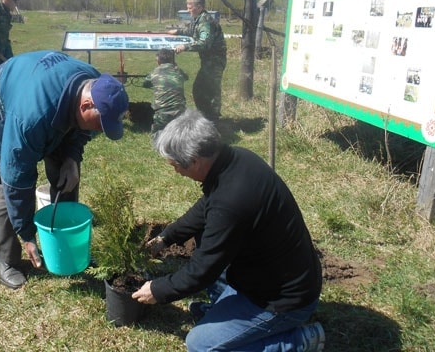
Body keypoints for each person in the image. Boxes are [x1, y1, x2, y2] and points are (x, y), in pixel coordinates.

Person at [132, 109, 325, 352]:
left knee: (200, 345)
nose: (176, 172)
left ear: (195, 161)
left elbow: (202, 271)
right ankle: (221, 314)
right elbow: (206, 207)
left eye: (176, 165)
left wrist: (158, 290)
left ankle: (297, 342)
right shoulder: (236, 160)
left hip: (283, 300)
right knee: (207, 235)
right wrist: (166, 237)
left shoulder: (231, 201)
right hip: (272, 274)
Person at [0, 50, 129, 289]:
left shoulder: (93, 82)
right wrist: (27, 234)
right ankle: (7, 259)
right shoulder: (31, 117)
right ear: (86, 105)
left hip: (35, 94)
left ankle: (65, 246)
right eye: (101, 125)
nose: (101, 131)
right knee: (8, 185)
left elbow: (81, 130)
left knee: (67, 172)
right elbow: (15, 178)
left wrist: (72, 157)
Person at [167, 0, 226, 121]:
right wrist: (177, 31)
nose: (188, 10)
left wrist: (185, 46)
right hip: (208, 61)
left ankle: (213, 119)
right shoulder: (199, 18)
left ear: (199, 7)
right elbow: (192, 31)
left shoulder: (206, 21)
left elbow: (204, 43)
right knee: (200, 89)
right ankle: (205, 117)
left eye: (190, 8)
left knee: (210, 90)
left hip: (215, 61)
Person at [141, 48, 188, 135]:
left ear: (158, 60)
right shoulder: (178, 71)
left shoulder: (154, 72)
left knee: (157, 136)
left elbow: (144, 84)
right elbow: (186, 77)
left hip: (162, 113)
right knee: (180, 136)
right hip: (180, 112)